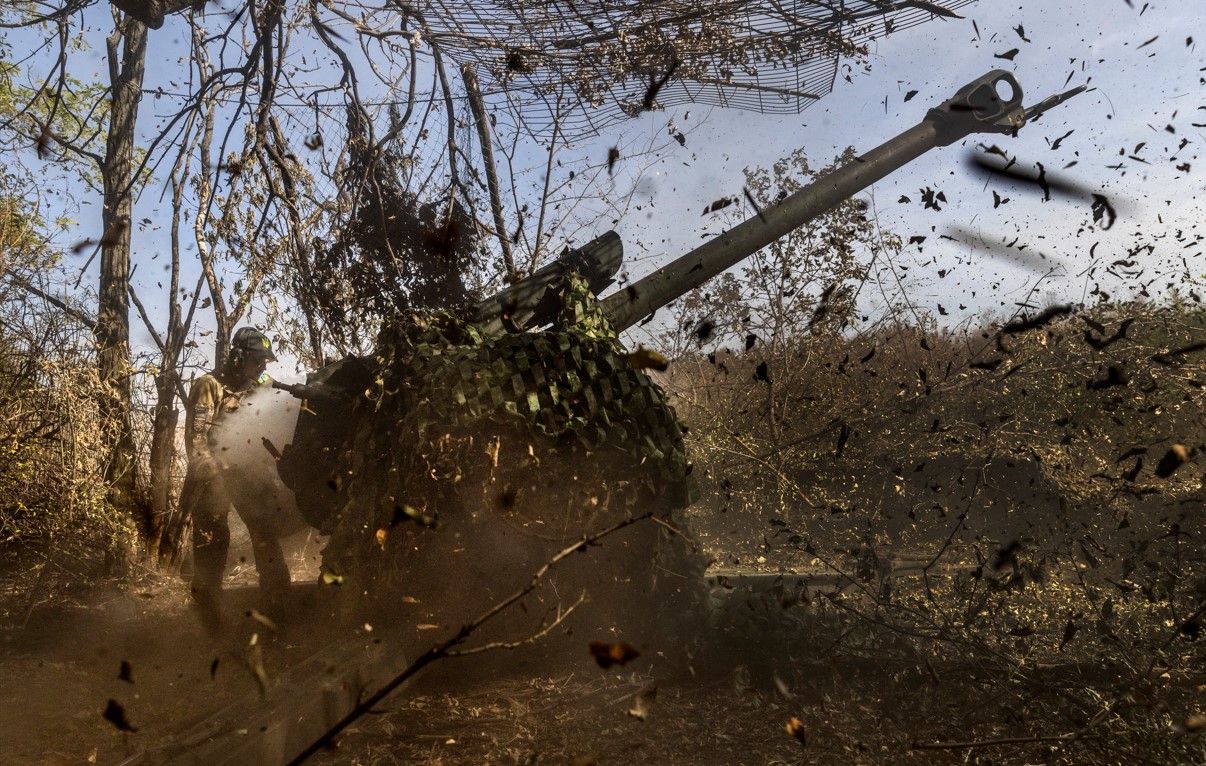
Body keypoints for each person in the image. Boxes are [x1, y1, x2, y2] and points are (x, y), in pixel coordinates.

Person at [182, 327, 291, 631]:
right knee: (212, 542)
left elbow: (280, 411)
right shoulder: (209, 386)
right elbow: (197, 438)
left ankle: (279, 603)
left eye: (264, 363)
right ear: (237, 357)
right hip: (213, 472)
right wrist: (209, 473)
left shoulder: (261, 382)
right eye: (257, 361)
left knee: (265, 530)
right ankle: (208, 613)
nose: (262, 368)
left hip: (248, 469)